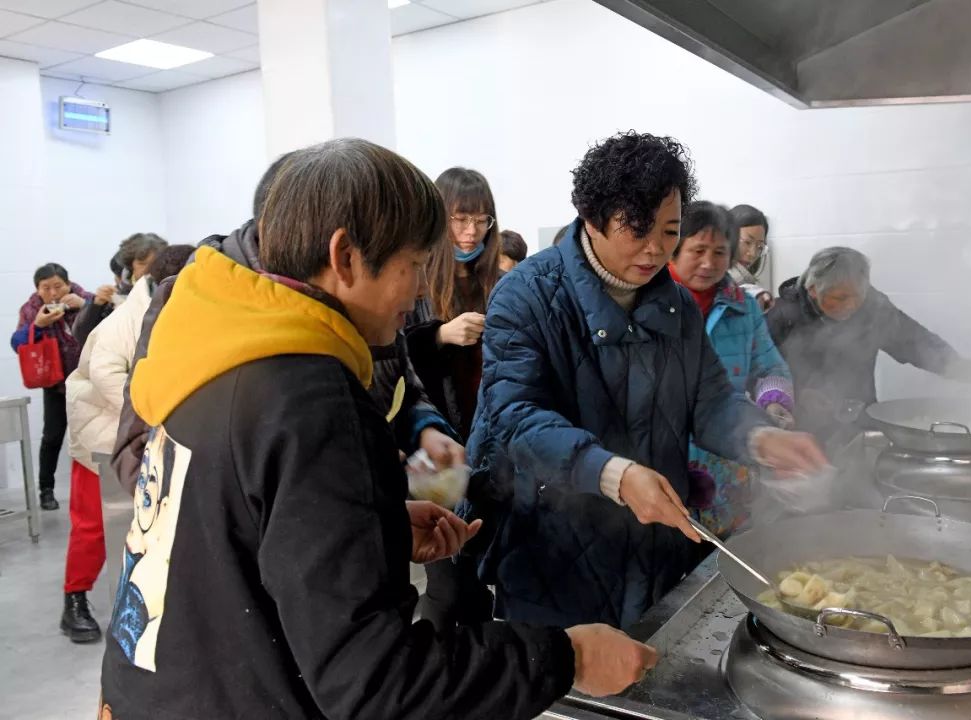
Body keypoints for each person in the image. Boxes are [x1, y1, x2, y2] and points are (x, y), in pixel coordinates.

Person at [99, 138, 659, 720]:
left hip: (157, 686)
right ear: (344, 258)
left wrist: (374, 525)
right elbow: (376, 684)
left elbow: (232, 531)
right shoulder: (309, 396)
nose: (421, 289)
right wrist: (567, 658)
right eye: (414, 266)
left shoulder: (215, 341)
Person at [465, 131, 827, 631]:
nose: (656, 250)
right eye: (638, 230)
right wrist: (612, 473)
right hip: (555, 553)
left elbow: (712, 400)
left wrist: (760, 437)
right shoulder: (526, 295)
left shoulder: (674, 305)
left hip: (659, 548)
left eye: (669, 230)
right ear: (592, 219)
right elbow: (515, 417)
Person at [110, 154, 461, 496]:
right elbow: (140, 458)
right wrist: (325, 478)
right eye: (414, 264)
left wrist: (419, 429)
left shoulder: (357, 306)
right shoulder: (202, 309)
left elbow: (399, 381)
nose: (421, 289)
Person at [61, 245, 194, 644]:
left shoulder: (177, 308)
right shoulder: (123, 319)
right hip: (100, 437)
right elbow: (105, 375)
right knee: (92, 529)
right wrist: (157, 410)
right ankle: (74, 601)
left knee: (149, 528)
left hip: (145, 436)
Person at [407, 167, 503, 633]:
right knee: (447, 574)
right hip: (440, 443)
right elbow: (397, 362)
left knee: (483, 571)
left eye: (481, 221)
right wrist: (441, 335)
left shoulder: (497, 282)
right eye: (460, 219)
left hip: (489, 440)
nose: (470, 232)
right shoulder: (417, 282)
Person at [767, 246, 971, 446]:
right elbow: (760, 372)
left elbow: (912, 339)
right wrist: (798, 393)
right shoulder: (782, 316)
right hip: (801, 431)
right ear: (813, 290)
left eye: (858, 295)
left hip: (859, 422)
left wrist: (953, 365)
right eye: (841, 297)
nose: (852, 305)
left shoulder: (872, 307)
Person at [668, 202, 794, 538]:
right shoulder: (651, 304)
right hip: (664, 462)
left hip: (725, 457)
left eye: (720, 252)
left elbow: (769, 366)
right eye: (698, 250)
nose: (709, 263)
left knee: (723, 559)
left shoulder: (743, 306)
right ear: (675, 249)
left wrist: (775, 401)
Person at [10, 264, 95, 510]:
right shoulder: (31, 309)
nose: (53, 293)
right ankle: (46, 490)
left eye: (58, 286)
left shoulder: (87, 299)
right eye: (45, 288)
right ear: (37, 290)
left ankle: (95, 490)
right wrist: (37, 325)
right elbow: (16, 343)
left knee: (92, 436)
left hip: (89, 384)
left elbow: (111, 325)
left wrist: (86, 306)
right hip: (56, 384)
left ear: (68, 284)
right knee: (52, 438)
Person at [73, 233, 167, 346]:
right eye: (142, 264)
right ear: (130, 266)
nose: (148, 270)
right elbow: (83, 335)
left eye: (154, 263)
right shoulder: (116, 295)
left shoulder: (169, 289)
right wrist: (95, 305)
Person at [728, 204, 772, 310]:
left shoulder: (746, 281)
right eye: (747, 242)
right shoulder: (712, 281)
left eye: (760, 246)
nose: (753, 253)